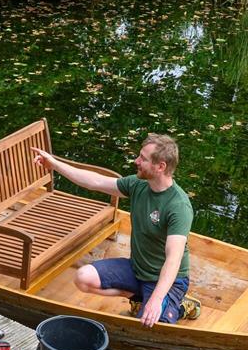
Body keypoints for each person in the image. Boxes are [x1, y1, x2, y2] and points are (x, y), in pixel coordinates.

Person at [32, 134, 199, 327]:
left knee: (151, 326)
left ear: (160, 166)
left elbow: (173, 258)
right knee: (83, 278)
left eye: (143, 159)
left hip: (169, 280)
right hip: (138, 269)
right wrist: (53, 164)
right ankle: (140, 298)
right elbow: (94, 181)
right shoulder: (138, 185)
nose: (136, 161)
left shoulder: (178, 206)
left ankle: (178, 306)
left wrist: (155, 300)